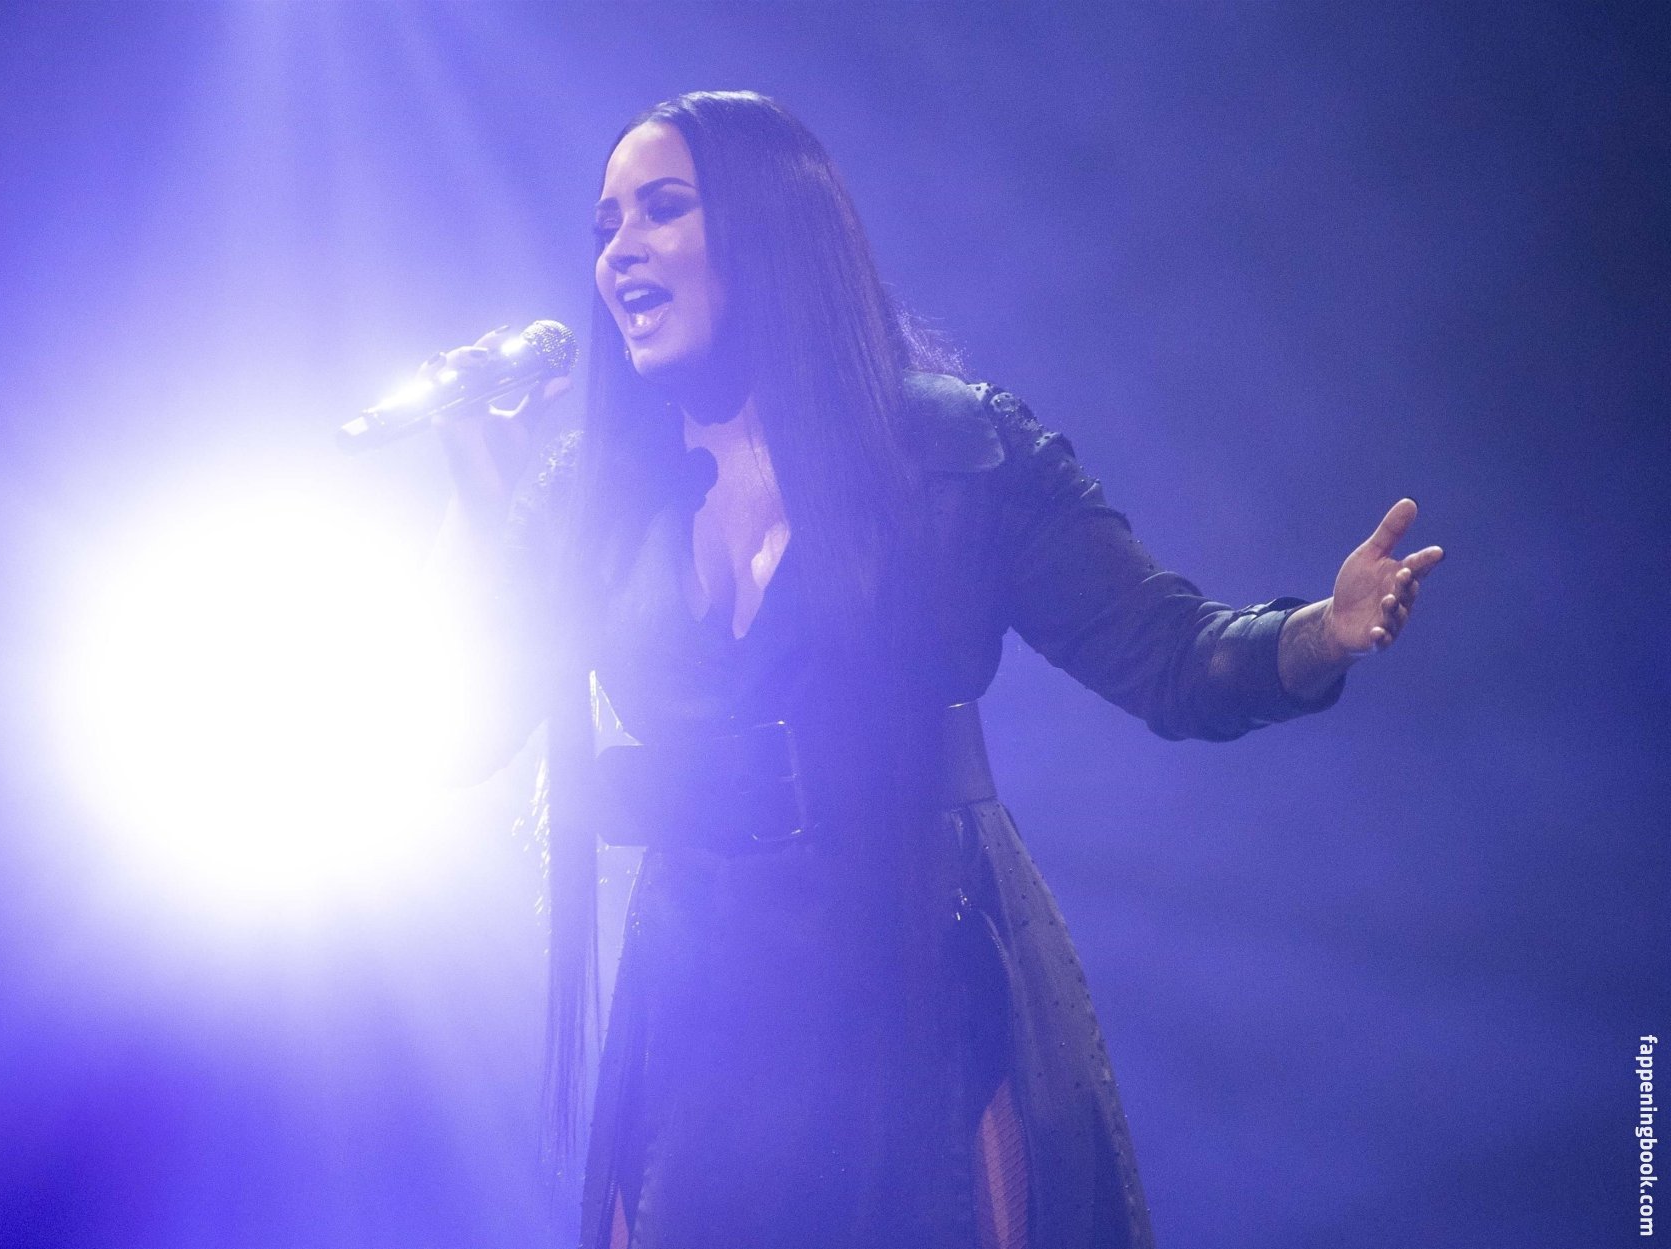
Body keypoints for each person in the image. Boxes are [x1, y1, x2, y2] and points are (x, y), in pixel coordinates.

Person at [430, 91, 1442, 1249]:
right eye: (606, 225)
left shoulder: (952, 453)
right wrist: (471, 502)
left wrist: (1321, 630)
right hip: (700, 1010)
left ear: (769, 226)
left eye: (663, 209)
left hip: (922, 979)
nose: (621, 250)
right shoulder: (595, 497)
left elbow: (1170, 656)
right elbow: (459, 734)